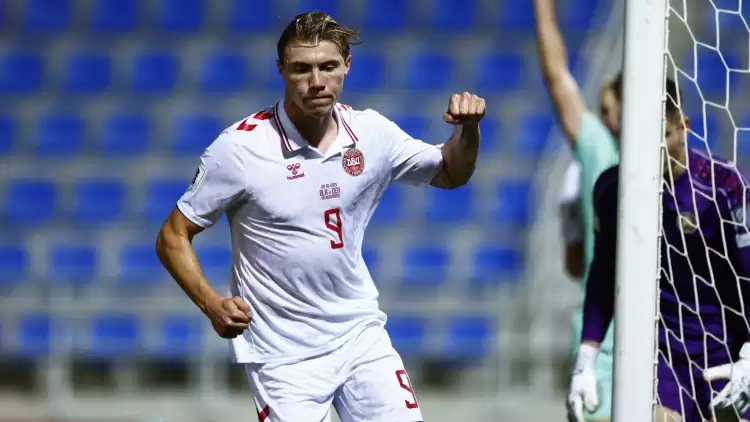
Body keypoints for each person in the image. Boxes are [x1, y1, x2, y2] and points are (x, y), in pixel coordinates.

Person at [154, 11, 484, 422]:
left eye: (328, 66)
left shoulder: (371, 134)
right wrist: (211, 304)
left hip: (359, 335)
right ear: (281, 70)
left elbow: (451, 172)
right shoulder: (240, 149)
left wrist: (468, 131)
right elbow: (172, 236)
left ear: (347, 65)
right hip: (282, 356)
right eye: (301, 69)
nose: (316, 81)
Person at [577, 77, 750, 422]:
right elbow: (603, 274)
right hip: (660, 359)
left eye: (664, 136)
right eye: (643, 139)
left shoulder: (726, 186)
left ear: (684, 127)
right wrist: (586, 360)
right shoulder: (612, 190)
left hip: (728, 351)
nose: (654, 150)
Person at [533, 0, 621, 419]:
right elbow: (556, 75)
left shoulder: (675, 166)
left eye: (606, 109)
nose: (599, 119)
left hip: (666, 338)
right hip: (601, 341)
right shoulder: (597, 148)